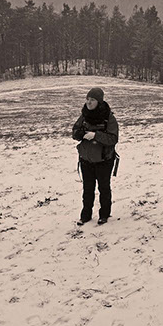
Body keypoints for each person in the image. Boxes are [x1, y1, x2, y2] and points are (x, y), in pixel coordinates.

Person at [72, 87, 119, 226]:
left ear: (99, 101)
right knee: (87, 189)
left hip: (104, 160)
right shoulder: (84, 115)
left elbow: (113, 138)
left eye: (92, 100)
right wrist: (80, 134)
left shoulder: (108, 117)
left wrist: (96, 135)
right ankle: (85, 215)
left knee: (103, 188)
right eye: (87, 99)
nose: (88, 102)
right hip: (86, 159)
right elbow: (74, 132)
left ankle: (104, 214)